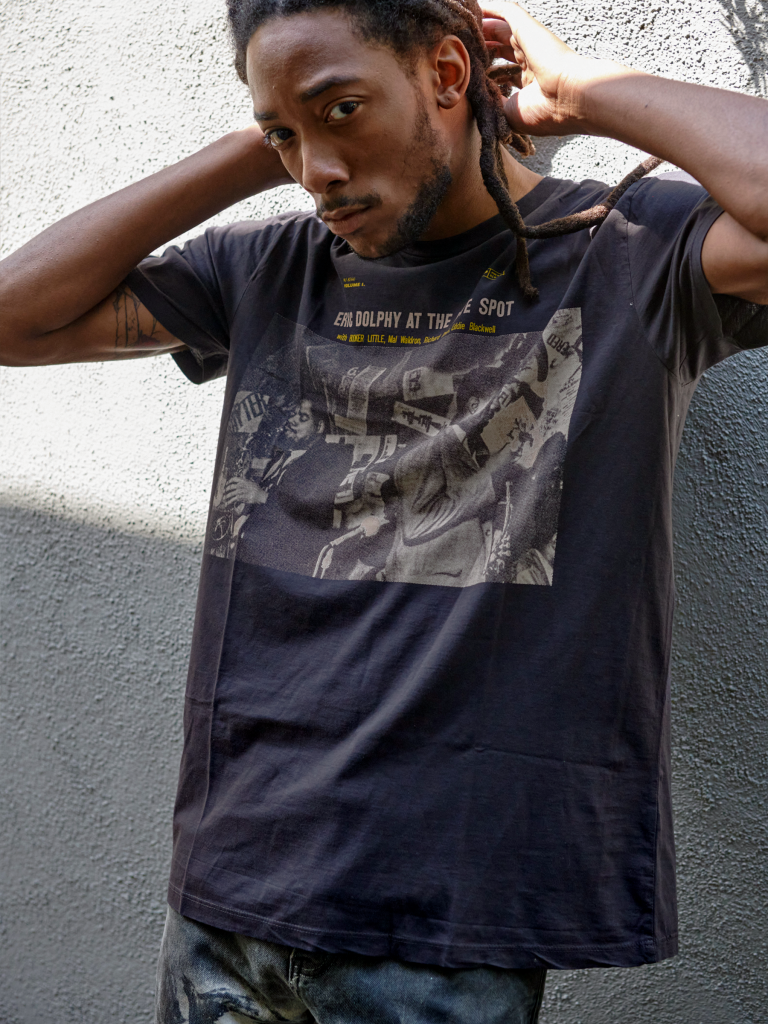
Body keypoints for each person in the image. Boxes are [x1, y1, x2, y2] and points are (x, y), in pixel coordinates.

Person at [1, 1, 766, 1020]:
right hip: (231, 897)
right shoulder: (270, 268)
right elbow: (14, 317)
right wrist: (270, 142)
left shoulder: (629, 251)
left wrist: (584, 93)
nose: (316, 170)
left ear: (448, 74)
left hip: (445, 923)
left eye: (342, 109)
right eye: (284, 135)